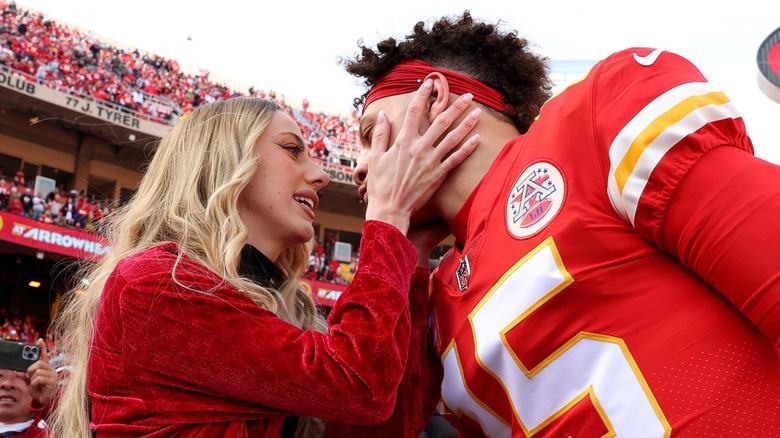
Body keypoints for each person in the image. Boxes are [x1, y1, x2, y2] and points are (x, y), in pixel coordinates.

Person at [344, 11, 780, 436]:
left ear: (434, 97)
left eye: (368, 136)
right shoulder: (434, 299)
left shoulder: (587, 123)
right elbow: (372, 421)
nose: (360, 168)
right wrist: (405, 257)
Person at [49, 93, 480, 437]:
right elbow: (357, 385)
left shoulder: (279, 303)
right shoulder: (154, 284)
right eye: (292, 149)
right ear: (223, 161)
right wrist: (386, 220)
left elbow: (383, 427)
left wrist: (413, 255)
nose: (321, 175)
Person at [0, 339, 58, 437]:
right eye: (0, 376)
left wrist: (53, 404)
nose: (7, 384)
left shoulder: (52, 432)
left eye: (19, 376)